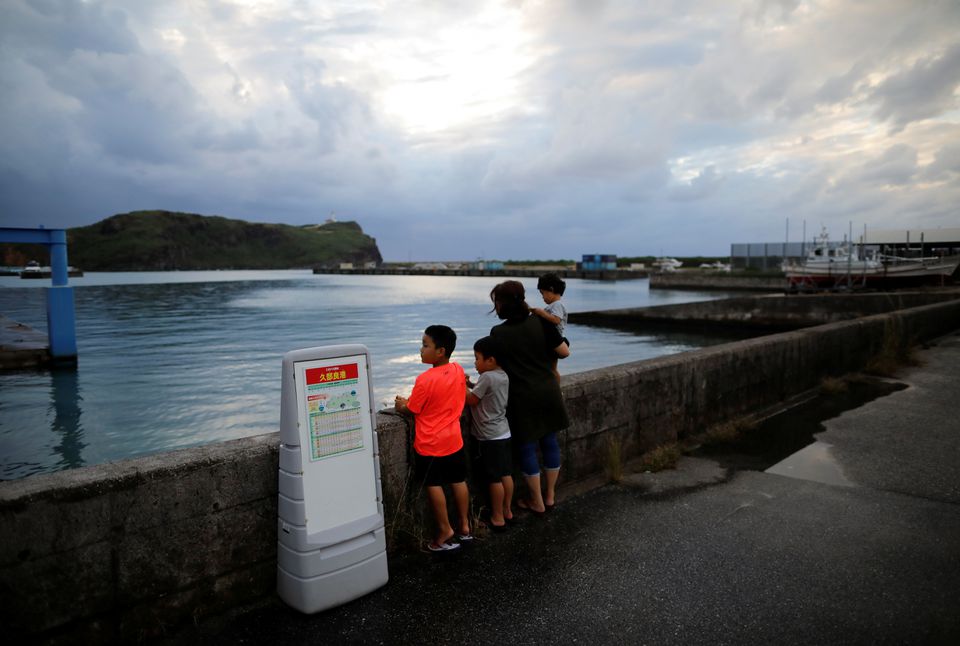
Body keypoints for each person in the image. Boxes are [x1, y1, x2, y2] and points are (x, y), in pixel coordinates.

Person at [489, 281, 570, 515]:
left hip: (521, 396)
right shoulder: (541, 322)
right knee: (549, 442)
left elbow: (496, 367)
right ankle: (550, 496)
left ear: (502, 304)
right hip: (548, 391)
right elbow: (563, 352)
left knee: (526, 448)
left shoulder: (499, 333)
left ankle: (536, 501)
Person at [395, 325, 471, 552]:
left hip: (431, 443)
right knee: (458, 480)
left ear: (440, 351)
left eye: (425, 345)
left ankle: (446, 529)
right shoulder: (458, 369)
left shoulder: (425, 379)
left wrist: (401, 405)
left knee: (433, 484)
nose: (421, 349)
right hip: (454, 439)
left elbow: (413, 409)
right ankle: (465, 526)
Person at [465, 336, 514, 532]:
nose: (475, 362)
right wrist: (470, 384)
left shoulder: (486, 377)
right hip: (503, 432)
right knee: (505, 474)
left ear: (490, 360)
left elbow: (472, 400)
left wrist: (459, 386)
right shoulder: (502, 375)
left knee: (493, 479)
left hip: (489, 436)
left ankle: (497, 517)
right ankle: (507, 510)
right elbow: (483, 391)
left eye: (477, 358)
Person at [531, 273, 568, 381]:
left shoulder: (557, 305)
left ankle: (556, 388)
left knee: (552, 369)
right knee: (552, 368)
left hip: (555, 341)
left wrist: (541, 313)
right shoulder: (553, 305)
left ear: (551, 289)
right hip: (554, 341)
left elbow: (556, 320)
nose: (542, 297)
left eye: (542, 293)